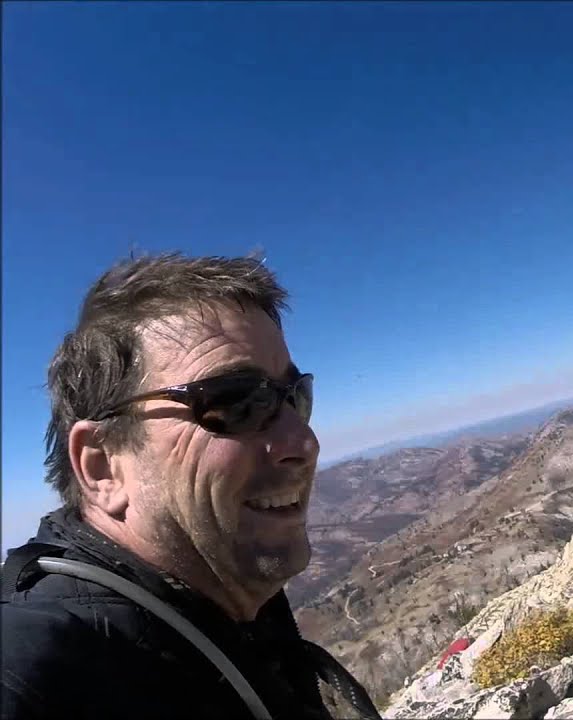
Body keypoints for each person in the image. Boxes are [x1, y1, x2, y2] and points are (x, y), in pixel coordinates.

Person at [1, 254, 381, 720]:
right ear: (103, 467)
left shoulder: (222, 611)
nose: (304, 441)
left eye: (294, 397)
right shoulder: (41, 663)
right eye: (236, 402)